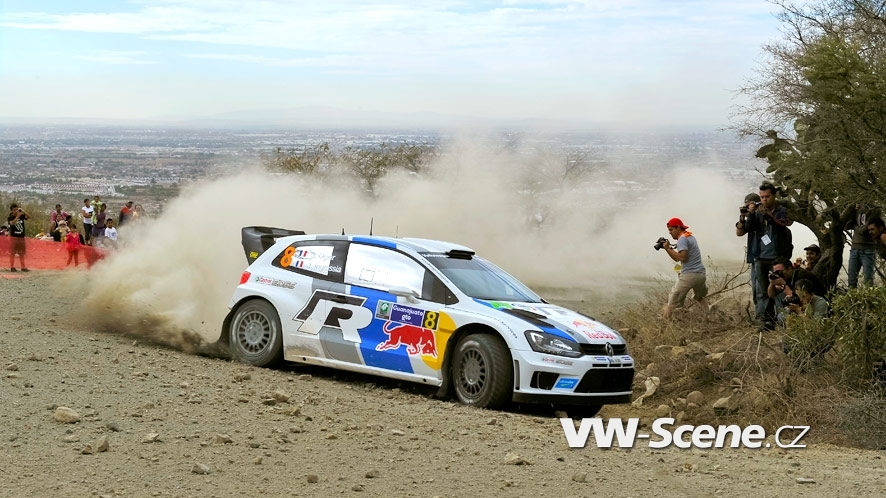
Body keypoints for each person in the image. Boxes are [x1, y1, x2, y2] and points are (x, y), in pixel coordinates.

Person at [735, 182, 793, 328]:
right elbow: (747, 228)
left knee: (779, 287)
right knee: (762, 290)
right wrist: (747, 215)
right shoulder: (758, 213)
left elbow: (783, 224)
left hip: (777, 257)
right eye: (762, 197)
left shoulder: (781, 211)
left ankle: (782, 317)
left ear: (774, 196)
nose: (764, 200)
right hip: (760, 257)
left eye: (767, 197)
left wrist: (767, 214)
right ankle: (766, 318)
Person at [659, 217, 707, 318]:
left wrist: (667, 248)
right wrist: (670, 248)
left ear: (678, 228)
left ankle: (665, 324)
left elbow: (681, 258)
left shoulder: (682, 240)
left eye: (671, 230)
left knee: (672, 302)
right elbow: (681, 257)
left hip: (689, 275)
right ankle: (709, 317)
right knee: (699, 298)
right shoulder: (689, 236)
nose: (669, 233)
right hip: (701, 274)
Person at [841, 203, 881, 288]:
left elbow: (865, 230)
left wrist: (855, 227)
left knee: (868, 280)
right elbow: (847, 225)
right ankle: (852, 296)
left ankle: (869, 296)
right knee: (851, 279)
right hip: (855, 249)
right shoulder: (857, 209)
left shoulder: (875, 209)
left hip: (868, 249)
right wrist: (853, 211)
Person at [736, 193, 761, 304]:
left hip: (762, 256)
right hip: (754, 257)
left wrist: (752, 213)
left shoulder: (761, 217)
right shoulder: (750, 220)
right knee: (755, 287)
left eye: (749, 206)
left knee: (760, 288)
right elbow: (739, 232)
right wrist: (742, 217)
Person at [7, 203, 30, 272]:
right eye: (14, 210)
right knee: (12, 253)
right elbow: (12, 223)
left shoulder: (21, 216)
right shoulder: (10, 217)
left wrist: (23, 211)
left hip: (21, 237)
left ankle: (23, 267)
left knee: (21, 253)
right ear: (11, 210)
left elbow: (29, 217)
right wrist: (17, 216)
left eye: (17, 209)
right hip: (14, 237)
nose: (16, 211)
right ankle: (12, 267)